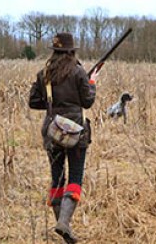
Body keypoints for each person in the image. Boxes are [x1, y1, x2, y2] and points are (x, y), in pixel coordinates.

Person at [29, 32, 98, 244]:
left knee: (57, 177)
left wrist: (53, 105)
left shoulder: (45, 74)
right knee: (75, 178)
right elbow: (87, 102)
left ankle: (63, 226)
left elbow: (33, 101)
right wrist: (92, 82)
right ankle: (64, 223)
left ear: (55, 51)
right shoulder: (78, 72)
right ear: (71, 51)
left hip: (52, 131)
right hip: (76, 132)